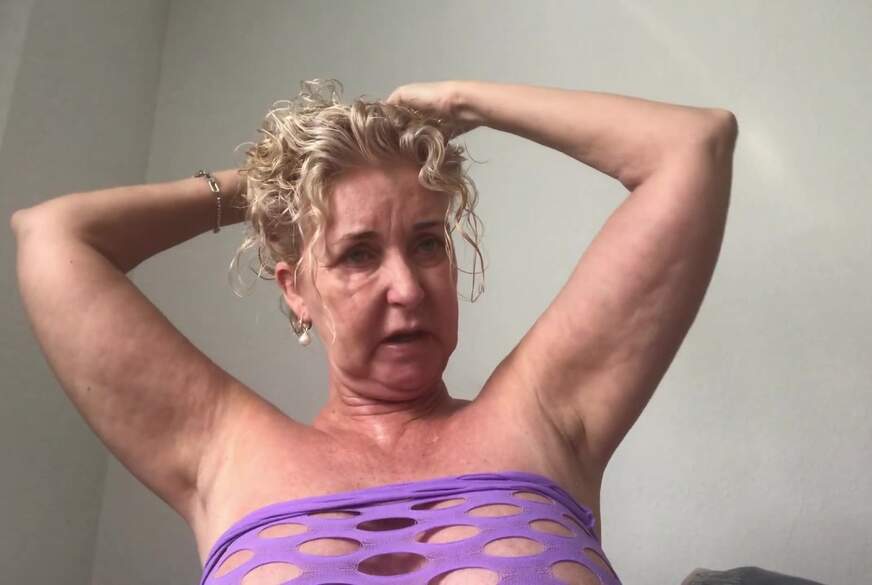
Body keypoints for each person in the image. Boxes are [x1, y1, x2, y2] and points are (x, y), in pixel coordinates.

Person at [11, 79, 737, 585]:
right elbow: (54, 236)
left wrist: (463, 104)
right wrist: (274, 187)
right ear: (296, 289)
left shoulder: (548, 415)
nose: (408, 287)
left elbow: (692, 145)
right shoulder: (221, 451)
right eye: (358, 254)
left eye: (427, 243)